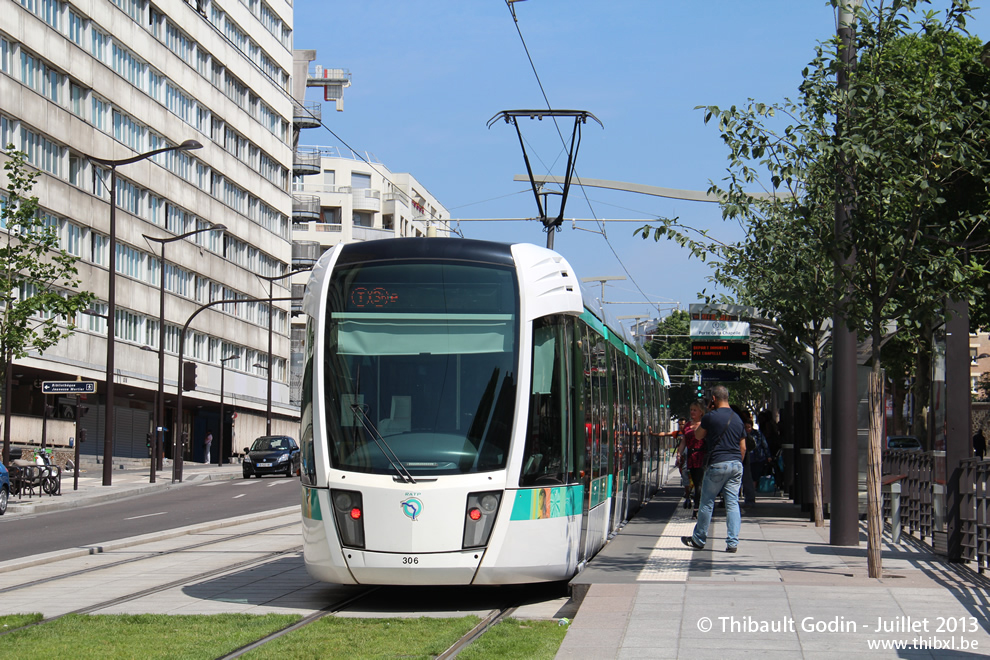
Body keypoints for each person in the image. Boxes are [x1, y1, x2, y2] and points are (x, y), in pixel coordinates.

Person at [682, 385, 746, 553]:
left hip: (718, 463)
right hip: (736, 464)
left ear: (714, 399)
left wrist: (709, 414)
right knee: (732, 503)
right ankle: (732, 542)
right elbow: (743, 447)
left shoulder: (711, 417)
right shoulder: (738, 418)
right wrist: (737, 463)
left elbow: (698, 436)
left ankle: (699, 538)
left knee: (707, 502)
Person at [675, 402, 707, 518]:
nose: (692, 412)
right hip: (691, 456)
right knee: (693, 482)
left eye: (695, 410)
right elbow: (683, 441)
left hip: (701, 455)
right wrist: (679, 454)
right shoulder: (688, 425)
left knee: (699, 483)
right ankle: (697, 505)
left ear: (701, 412)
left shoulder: (704, 424)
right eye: (691, 410)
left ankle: (697, 508)